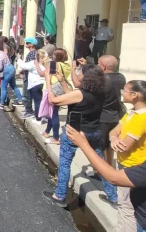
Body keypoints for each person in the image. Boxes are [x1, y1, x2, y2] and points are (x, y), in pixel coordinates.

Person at [42, 65, 118, 208]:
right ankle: (113, 196)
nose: (78, 74)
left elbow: (53, 100)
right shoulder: (100, 92)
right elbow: (74, 97)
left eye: (80, 72)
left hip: (75, 132)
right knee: (101, 163)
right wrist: (63, 81)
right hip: (94, 131)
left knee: (65, 162)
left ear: (86, 77)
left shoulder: (81, 93)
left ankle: (59, 195)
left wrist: (48, 79)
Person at [106, 79, 146, 232]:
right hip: (125, 164)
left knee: (128, 207)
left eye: (124, 90)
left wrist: (116, 141)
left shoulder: (142, 118)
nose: (122, 93)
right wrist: (113, 138)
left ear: (135, 95)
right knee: (122, 202)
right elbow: (115, 130)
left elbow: (124, 146)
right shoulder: (131, 113)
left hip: (133, 166)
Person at [41, 48, 72, 145]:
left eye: (54, 54)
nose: (52, 56)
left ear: (57, 56)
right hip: (62, 89)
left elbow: (47, 75)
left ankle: (55, 137)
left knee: (54, 114)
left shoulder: (55, 64)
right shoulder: (67, 65)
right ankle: (47, 131)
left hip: (53, 89)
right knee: (52, 112)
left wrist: (45, 66)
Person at [19, 44, 46, 120]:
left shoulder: (34, 63)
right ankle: (43, 115)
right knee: (41, 101)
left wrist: (18, 59)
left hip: (35, 84)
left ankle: (38, 117)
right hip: (43, 84)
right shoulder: (46, 63)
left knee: (37, 101)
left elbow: (23, 66)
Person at [0, 39, 23, 110]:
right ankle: (20, 100)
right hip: (11, 68)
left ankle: (1, 104)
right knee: (14, 85)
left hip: (6, 70)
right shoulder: (3, 53)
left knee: (3, 87)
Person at [20, 37, 38, 118]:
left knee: (28, 94)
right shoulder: (34, 53)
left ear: (31, 44)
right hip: (29, 75)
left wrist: (22, 70)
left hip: (29, 76)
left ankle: (29, 111)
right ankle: (28, 109)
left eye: (27, 43)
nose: (25, 44)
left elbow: (28, 66)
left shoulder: (32, 54)